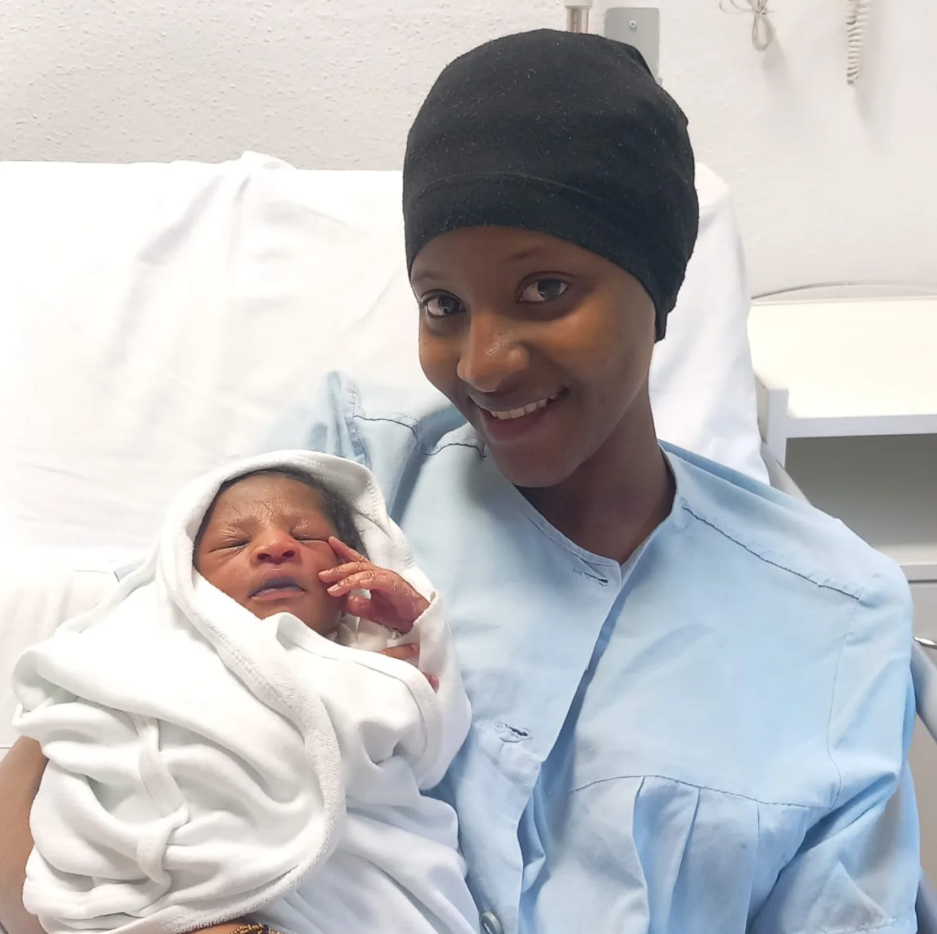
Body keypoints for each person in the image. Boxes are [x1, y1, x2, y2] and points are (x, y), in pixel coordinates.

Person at [0, 27, 919, 934]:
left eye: (544, 290)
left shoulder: (834, 617)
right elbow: (105, 710)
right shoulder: (339, 476)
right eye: (441, 304)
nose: (481, 364)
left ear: (657, 288)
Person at [11, 453, 477, 934]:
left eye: (305, 536)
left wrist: (416, 628)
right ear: (185, 576)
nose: (275, 547)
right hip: (187, 891)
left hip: (350, 888)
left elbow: (432, 754)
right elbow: (76, 721)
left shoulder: (373, 660)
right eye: (234, 543)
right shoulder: (140, 651)